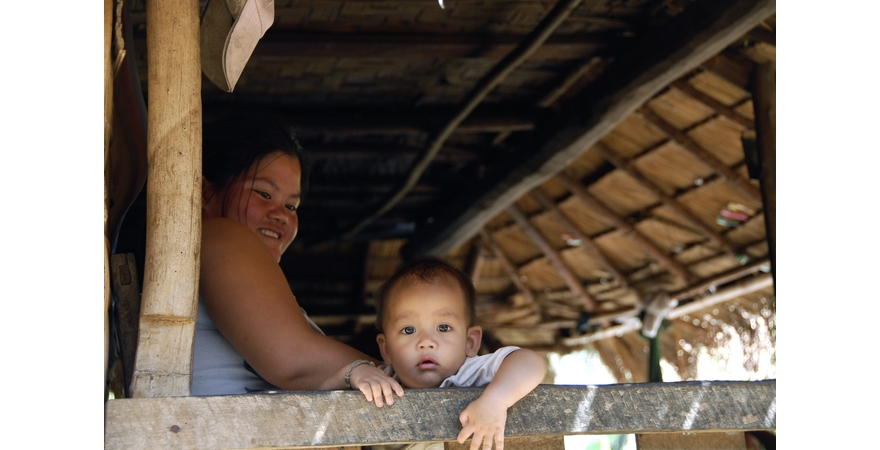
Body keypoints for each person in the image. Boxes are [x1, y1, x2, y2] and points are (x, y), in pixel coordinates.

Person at [192, 114, 403, 407]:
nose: (281, 215)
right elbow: (294, 361)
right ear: (205, 192)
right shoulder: (222, 235)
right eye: (264, 193)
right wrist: (416, 382)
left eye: (291, 205)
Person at [357, 258, 547, 450]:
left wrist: (495, 400)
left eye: (443, 327)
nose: (426, 342)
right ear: (386, 349)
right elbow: (328, 386)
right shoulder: (384, 383)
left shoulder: (472, 373)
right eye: (408, 330)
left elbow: (531, 362)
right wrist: (356, 373)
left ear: (470, 342)